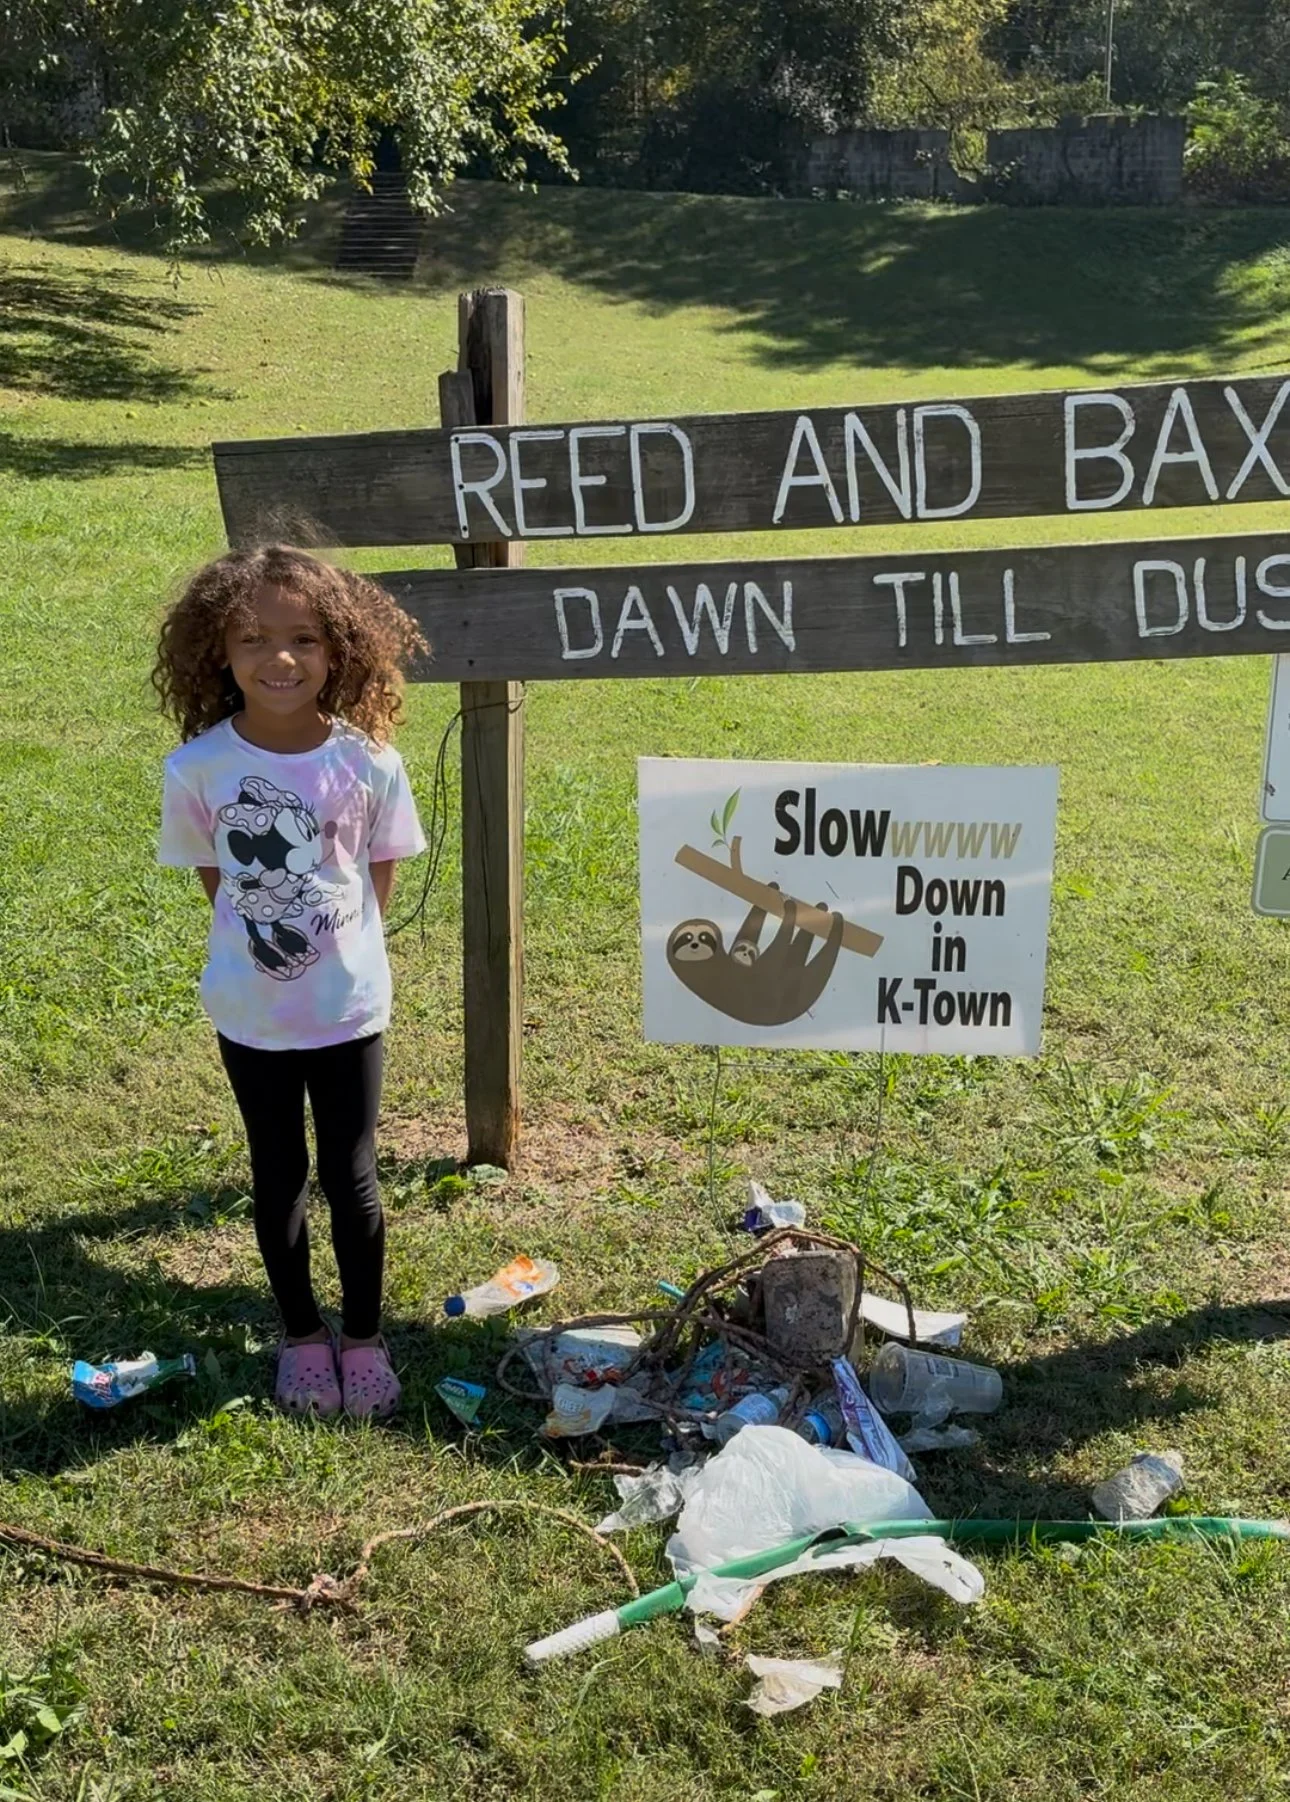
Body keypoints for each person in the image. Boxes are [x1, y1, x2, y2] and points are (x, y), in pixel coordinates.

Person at [154, 545, 427, 1420]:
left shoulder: (370, 761)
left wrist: (340, 952)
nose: (280, 658)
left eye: (304, 638)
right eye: (253, 639)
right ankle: (303, 1335)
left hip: (348, 1009)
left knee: (352, 1176)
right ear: (218, 655)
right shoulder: (196, 769)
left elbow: (373, 876)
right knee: (278, 1171)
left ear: (338, 649)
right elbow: (219, 881)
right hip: (252, 1011)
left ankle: (364, 1336)